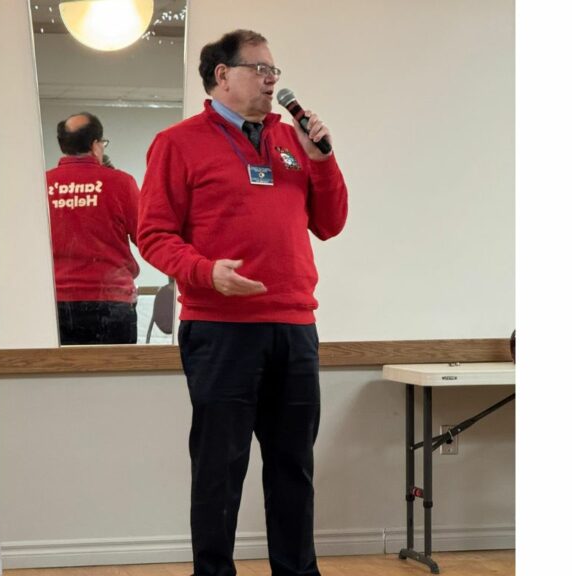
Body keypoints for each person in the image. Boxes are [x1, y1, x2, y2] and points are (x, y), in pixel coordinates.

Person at [137, 29, 348, 576]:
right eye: (258, 68)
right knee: (219, 470)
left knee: (293, 469)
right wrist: (206, 273)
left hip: (295, 327)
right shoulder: (177, 142)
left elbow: (331, 223)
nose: (270, 79)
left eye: (273, 69)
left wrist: (321, 159)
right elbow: (154, 235)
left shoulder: (290, 140)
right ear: (221, 76)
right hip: (222, 330)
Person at [46, 112, 141, 345]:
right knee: (117, 379)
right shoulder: (121, 183)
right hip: (111, 302)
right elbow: (146, 236)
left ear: (62, 146)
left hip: (54, 302)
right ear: (95, 144)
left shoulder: (42, 184)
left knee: (59, 380)